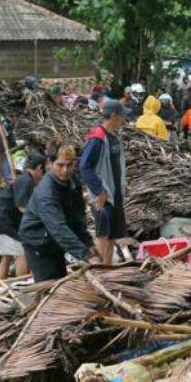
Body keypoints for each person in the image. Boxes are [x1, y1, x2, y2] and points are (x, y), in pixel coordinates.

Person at [19, 144, 90, 281]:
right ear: (50, 163)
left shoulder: (73, 182)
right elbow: (58, 227)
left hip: (54, 241)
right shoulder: (46, 192)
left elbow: (78, 217)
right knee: (49, 285)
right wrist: (84, 254)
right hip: (37, 241)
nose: (65, 170)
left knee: (60, 281)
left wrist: (88, 243)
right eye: (60, 165)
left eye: (69, 165)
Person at [80, 100, 127, 267]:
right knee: (103, 234)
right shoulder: (97, 138)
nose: (123, 119)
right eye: (121, 115)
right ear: (113, 115)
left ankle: (107, 269)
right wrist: (99, 191)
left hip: (115, 194)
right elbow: (84, 167)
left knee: (113, 235)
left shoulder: (114, 137)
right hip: (103, 195)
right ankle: (99, 271)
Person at [0, 152, 46, 279]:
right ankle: (21, 284)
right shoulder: (26, 180)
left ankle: (2, 284)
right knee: (22, 251)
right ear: (39, 168)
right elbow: (22, 206)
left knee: (7, 255)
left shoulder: (23, 179)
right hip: (6, 223)